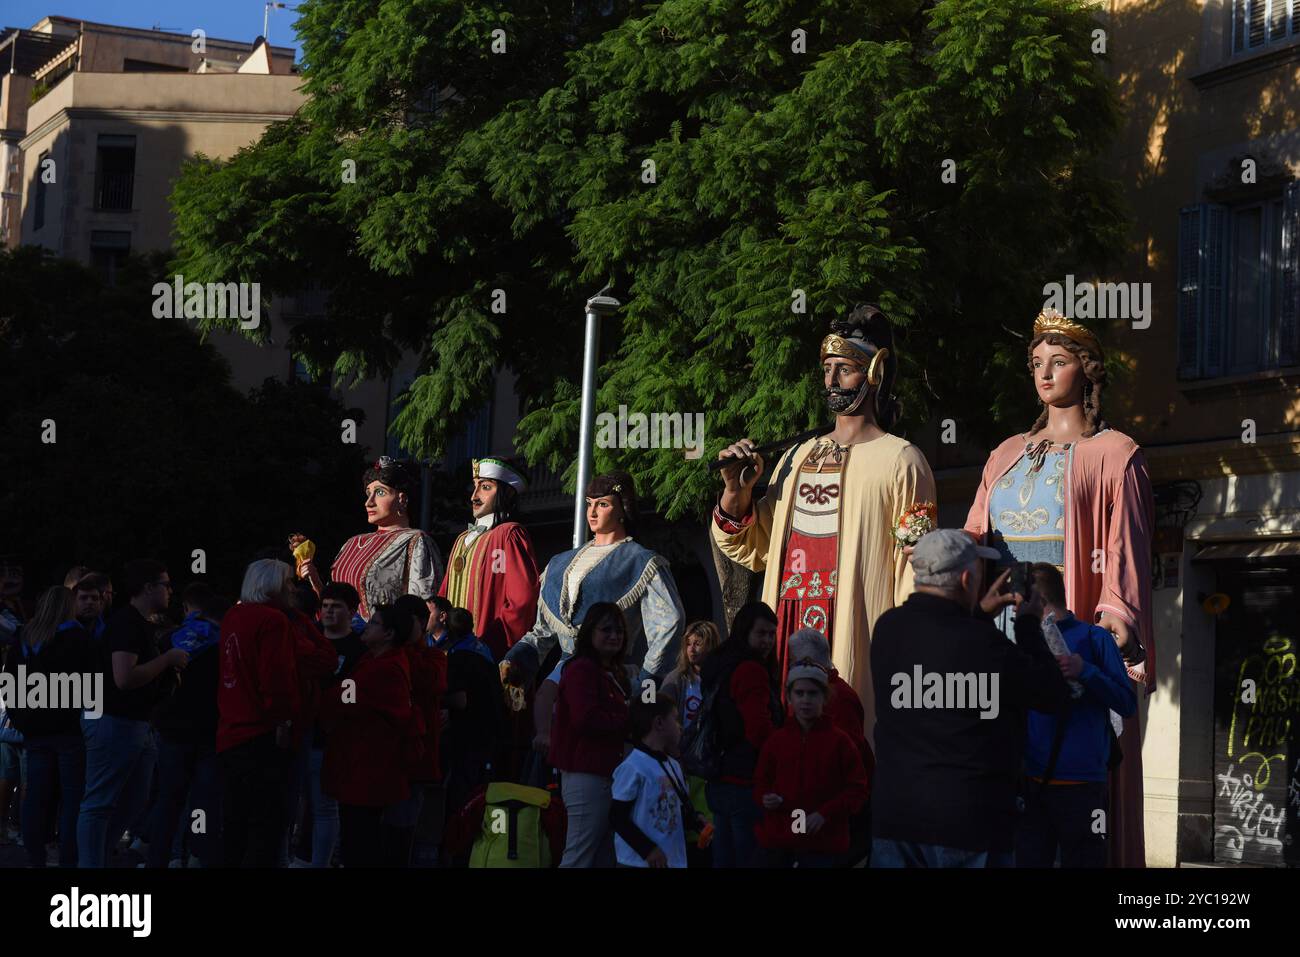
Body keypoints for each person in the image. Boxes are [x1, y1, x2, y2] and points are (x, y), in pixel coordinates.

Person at [963, 308, 1154, 867]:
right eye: (1037, 363)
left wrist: (1116, 615)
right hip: (1004, 629)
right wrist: (936, 552)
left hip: (1066, 632)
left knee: (1065, 771)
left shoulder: (1116, 455)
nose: (1045, 374)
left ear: (1087, 371)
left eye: (1060, 361)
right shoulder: (1004, 455)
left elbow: (1126, 550)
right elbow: (977, 536)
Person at [713, 304, 937, 743]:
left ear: (873, 371)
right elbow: (755, 549)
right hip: (788, 623)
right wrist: (736, 493)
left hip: (856, 626)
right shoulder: (796, 457)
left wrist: (910, 647)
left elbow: (918, 566)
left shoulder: (903, 459)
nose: (831, 381)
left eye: (845, 369)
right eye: (827, 369)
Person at [870, 529, 1071, 868]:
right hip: (969, 824)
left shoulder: (888, 629)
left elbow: (940, 654)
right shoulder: (986, 645)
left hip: (896, 818)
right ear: (966, 579)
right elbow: (1053, 694)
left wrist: (977, 613)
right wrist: (1027, 625)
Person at [502, 471, 684, 689]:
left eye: (603, 504)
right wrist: (516, 659)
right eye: (590, 504)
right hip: (562, 675)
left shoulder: (641, 560)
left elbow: (669, 622)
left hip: (610, 675)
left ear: (622, 510)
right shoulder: (560, 563)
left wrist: (647, 682)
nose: (593, 512)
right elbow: (543, 631)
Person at [1016, 563, 1136, 868]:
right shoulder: (1027, 641)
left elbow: (1126, 703)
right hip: (1033, 784)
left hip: (1084, 789)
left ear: (1036, 600)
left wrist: (1086, 671)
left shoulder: (1096, 639)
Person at [78, 559, 188, 868]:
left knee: (132, 801)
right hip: (115, 720)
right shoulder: (127, 623)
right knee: (100, 802)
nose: (170, 591)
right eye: (165, 585)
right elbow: (124, 678)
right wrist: (166, 661)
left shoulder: (137, 622)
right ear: (148, 588)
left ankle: (98, 856)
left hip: (133, 722)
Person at [320, 603, 418, 868]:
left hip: (366, 771)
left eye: (374, 623)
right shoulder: (375, 661)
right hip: (364, 769)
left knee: (359, 841)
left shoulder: (381, 669)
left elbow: (339, 699)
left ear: (388, 634)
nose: (366, 625)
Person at [217, 559, 301, 867]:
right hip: (261, 733)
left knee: (235, 821)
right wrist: (283, 719)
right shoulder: (273, 621)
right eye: (288, 583)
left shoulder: (234, 616)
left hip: (231, 731)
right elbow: (275, 678)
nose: (292, 589)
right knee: (265, 825)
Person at [2, 586, 90, 867]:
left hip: (34, 729)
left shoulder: (25, 636)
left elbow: (10, 681)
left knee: (36, 796)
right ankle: (67, 858)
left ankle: (34, 857)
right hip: (69, 730)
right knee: (72, 798)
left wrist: (19, 717)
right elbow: (90, 686)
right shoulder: (79, 638)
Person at [753, 657, 869, 868]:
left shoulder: (840, 742)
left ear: (824, 698)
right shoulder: (776, 741)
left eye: (813, 693)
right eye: (799, 693)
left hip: (824, 845)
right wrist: (766, 797)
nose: (805, 700)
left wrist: (826, 814)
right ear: (789, 697)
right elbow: (761, 781)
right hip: (783, 843)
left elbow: (858, 790)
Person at [298, 455, 445, 620]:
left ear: (402, 499)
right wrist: (315, 579)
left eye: (380, 492)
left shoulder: (415, 541)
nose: (369, 502)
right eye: (368, 493)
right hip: (340, 640)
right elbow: (332, 603)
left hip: (385, 641)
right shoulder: (352, 543)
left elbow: (424, 608)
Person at [148, 582, 228, 868]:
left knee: (168, 800)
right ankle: (199, 855)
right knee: (205, 802)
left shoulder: (170, 639)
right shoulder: (226, 642)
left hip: (172, 729)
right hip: (210, 730)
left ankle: (160, 856)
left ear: (186, 608)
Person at [700, 602, 783, 868]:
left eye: (772, 634)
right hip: (745, 780)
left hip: (719, 775)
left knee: (724, 857)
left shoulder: (721, 663)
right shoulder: (750, 670)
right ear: (745, 632)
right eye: (761, 633)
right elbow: (759, 730)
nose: (768, 641)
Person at [550, 602, 632, 867]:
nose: (614, 636)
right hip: (587, 775)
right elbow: (585, 719)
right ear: (590, 633)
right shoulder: (582, 669)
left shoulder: (614, 672)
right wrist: (628, 719)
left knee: (606, 855)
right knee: (579, 856)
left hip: (608, 774)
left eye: (619, 630)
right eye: (606, 629)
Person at [440, 458, 539, 661]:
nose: (474, 496)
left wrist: (490, 646)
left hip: (487, 654)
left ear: (507, 493)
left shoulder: (508, 535)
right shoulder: (461, 539)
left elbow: (522, 601)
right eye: (474, 487)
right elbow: (444, 594)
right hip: (450, 652)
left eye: (485, 487)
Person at [298, 582, 365, 867]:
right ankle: (299, 856)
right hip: (300, 733)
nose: (328, 611)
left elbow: (354, 697)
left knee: (325, 807)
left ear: (351, 611)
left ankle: (319, 862)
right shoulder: (309, 639)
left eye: (336, 606)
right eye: (324, 606)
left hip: (332, 739)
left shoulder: (359, 650)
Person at [438, 607, 506, 834]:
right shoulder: (482, 648)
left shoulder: (459, 656)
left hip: (469, 735)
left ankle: (462, 841)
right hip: (492, 732)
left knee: (464, 794)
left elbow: (460, 700)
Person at [393, 592, 447, 867]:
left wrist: (406, 647)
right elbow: (351, 694)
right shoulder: (375, 656)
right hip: (382, 757)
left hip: (416, 757)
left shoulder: (433, 657)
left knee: (408, 829)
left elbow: (433, 682)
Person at [610, 693, 694, 869]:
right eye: (675, 719)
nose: (680, 727)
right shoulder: (633, 767)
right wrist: (648, 850)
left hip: (672, 861)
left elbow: (676, 809)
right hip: (638, 863)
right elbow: (617, 817)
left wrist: (696, 820)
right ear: (659, 723)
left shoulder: (673, 765)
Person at [660, 620, 721, 732]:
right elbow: (662, 718)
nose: (691, 649)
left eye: (697, 644)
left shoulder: (721, 680)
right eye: (688, 644)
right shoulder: (675, 679)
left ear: (711, 646)